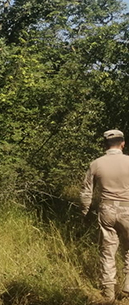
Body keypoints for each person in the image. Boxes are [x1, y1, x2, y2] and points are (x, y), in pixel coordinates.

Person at [81, 129, 129, 301]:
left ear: (104, 145)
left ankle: (108, 294)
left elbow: (86, 193)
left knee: (107, 252)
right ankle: (128, 287)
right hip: (128, 210)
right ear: (123, 143)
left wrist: (85, 213)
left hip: (106, 211)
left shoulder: (96, 164)